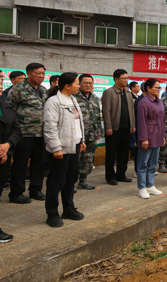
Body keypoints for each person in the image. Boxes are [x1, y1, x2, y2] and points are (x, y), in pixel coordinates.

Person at [43, 72, 86, 227]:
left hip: (74, 146)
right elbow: (50, 127)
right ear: (67, 85)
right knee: (56, 182)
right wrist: (55, 147)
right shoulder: (54, 102)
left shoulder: (73, 100)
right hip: (60, 148)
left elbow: (77, 123)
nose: (79, 85)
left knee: (70, 179)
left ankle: (68, 208)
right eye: (76, 83)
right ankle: (52, 213)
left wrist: (82, 140)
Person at [7, 63, 48, 204]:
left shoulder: (43, 90)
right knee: (20, 164)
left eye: (43, 73)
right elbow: (9, 111)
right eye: (38, 73)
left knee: (39, 163)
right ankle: (16, 193)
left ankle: (35, 190)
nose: (41, 76)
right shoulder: (18, 89)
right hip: (23, 134)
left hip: (41, 133)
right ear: (29, 73)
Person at [102, 69, 136, 185]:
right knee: (111, 154)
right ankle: (110, 176)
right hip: (114, 129)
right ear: (116, 79)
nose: (126, 80)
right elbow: (106, 111)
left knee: (123, 153)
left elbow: (131, 110)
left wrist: (132, 125)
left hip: (126, 129)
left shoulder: (127, 92)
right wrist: (108, 127)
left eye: (127, 78)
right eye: (124, 78)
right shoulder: (109, 92)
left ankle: (121, 174)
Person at [136, 79, 165, 199]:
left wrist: (162, 136)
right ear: (148, 88)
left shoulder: (159, 102)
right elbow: (141, 122)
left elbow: (162, 120)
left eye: (159, 88)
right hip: (148, 134)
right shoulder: (144, 102)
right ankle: (142, 187)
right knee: (143, 163)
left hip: (157, 134)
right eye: (156, 88)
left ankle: (150, 185)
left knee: (153, 163)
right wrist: (144, 139)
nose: (158, 90)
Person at [73, 74, 102, 190]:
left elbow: (98, 116)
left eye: (90, 83)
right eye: (85, 82)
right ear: (79, 83)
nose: (88, 85)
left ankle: (83, 181)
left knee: (88, 159)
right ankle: (71, 183)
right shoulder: (73, 97)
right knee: (75, 159)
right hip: (78, 134)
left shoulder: (94, 98)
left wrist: (99, 131)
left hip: (92, 134)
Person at [0, 93, 22, 241]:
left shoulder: (6, 105)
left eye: (1, 81)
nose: (1, 84)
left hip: (4, 156)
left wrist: (7, 145)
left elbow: (16, 129)